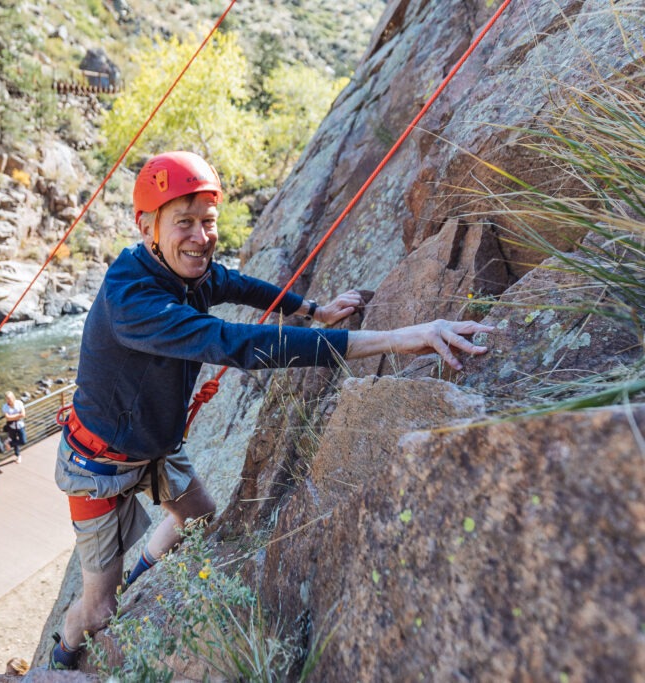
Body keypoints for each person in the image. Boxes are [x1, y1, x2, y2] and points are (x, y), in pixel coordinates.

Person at [47, 150, 493, 669]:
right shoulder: (133, 299)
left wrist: (312, 309)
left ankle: (134, 578)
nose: (200, 237)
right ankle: (64, 651)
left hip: (153, 447)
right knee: (98, 609)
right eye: (183, 223)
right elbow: (235, 343)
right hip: (98, 464)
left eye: (208, 222)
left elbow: (236, 283)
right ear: (147, 226)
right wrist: (397, 338)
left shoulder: (185, 271)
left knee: (198, 517)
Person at [2, 391, 27, 463]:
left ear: (13, 397)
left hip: (20, 426)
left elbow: (23, 414)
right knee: (14, 439)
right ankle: (18, 455)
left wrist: (12, 416)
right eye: (7, 399)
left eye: (10, 398)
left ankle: (9, 444)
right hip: (11, 427)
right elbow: (8, 418)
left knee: (23, 441)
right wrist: (18, 416)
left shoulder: (19, 403)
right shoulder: (5, 407)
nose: (9, 400)